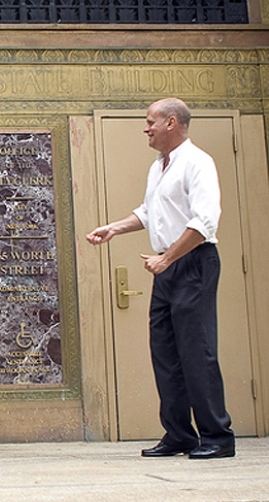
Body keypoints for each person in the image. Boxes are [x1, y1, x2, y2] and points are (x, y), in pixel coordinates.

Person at [86, 98, 235, 459]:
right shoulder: (158, 167)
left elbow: (204, 223)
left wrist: (167, 258)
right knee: (165, 352)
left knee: (196, 351)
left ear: (172, 123)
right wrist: (115, 228)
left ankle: (217, 436)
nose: (146, 128)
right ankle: (179, 434)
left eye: (150, 121)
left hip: (193, 262)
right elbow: (150, 211)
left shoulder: (198, 163)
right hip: (167, 267)